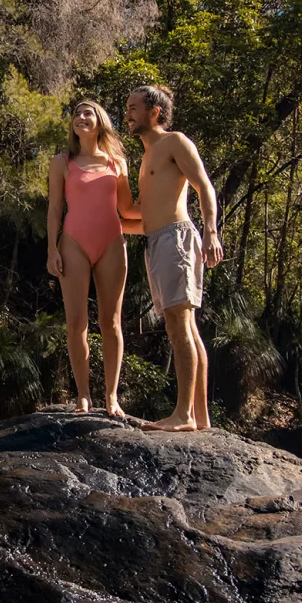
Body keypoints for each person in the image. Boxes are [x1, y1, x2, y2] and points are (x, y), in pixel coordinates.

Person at [121, 85, 224, 432]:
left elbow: (204, 186)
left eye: (134, 108)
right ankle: (199, 417)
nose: (128, 114)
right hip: (156, 241)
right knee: (184, 328)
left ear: (155, 112)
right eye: (127, 108)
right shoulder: (148, 157)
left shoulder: (175, 142)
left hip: (176, 238)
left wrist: (211, 232)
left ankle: (183, 415)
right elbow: (143, 214)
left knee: (180, 326)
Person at [46, 100, 135, 417]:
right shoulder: (62, 162)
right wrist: (51, 249)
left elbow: (127, 211)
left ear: (100, 122)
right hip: (72, 244)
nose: (81, 117)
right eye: (77, 114)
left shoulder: (117, 163)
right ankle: (83, 396)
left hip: (112, 244)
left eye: (88, 113)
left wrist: (167, 211)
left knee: (111, 323)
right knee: (76, 324)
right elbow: (55, 209)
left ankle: (112, 397)